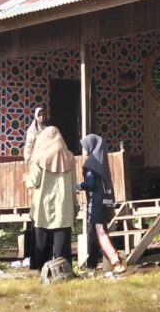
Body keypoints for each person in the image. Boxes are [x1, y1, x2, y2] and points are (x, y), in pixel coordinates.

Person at [25, 115, 77, 269]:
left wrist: (26, 178)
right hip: (63, 205)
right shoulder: (69, 158)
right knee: (62, 238)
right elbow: (74, 185)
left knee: (41, 236)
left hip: (43, 204)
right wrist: (75, 204)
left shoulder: (38, 158)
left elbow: (33, 182)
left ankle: (41, 267)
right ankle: (63, 268)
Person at [79, 134, 125, 275]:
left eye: (84, 146)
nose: (83, 150)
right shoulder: (102, 163)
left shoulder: (91, 164)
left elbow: (90, 184)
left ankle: (116, 262)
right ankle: (91, 266)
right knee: (93, 236)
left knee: (101, 235)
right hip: (105, 204)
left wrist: (78, 186)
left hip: (96, 206)